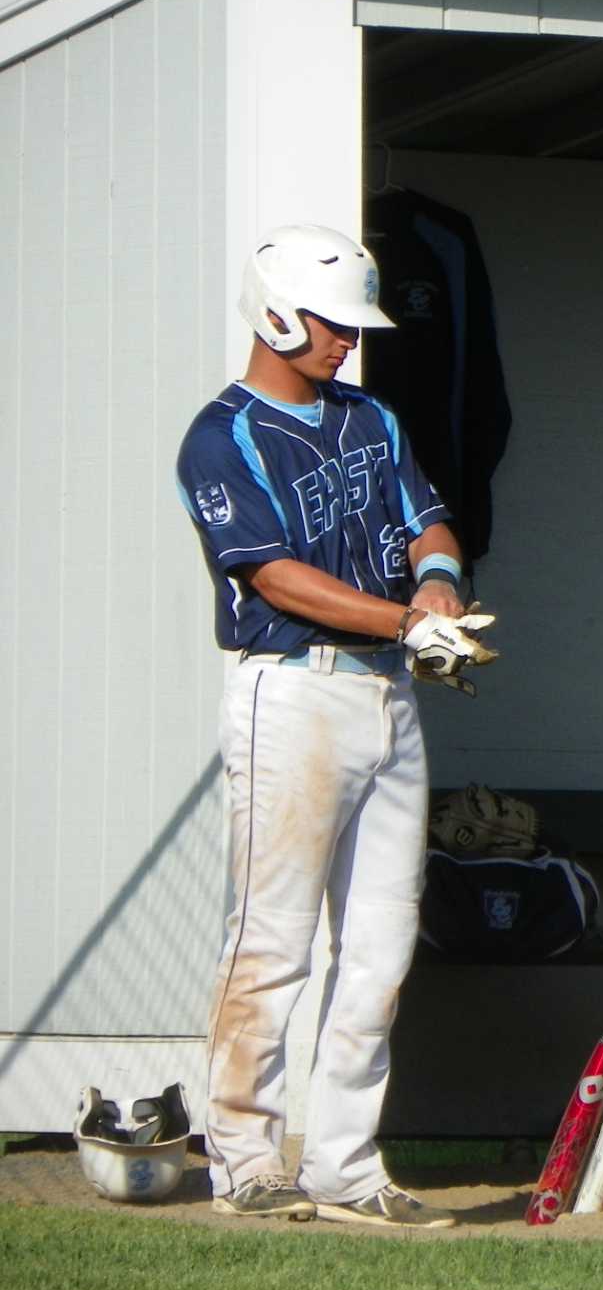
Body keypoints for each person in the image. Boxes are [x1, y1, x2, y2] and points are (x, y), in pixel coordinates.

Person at [175, 225, 494, 1229]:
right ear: (274, 312)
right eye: (327, 323)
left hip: (387, 689)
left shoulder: (369, 417)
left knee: (381, 942)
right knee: (271, 937)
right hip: (292, 687)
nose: (345, 341)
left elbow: (425, 521)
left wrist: (436, 582)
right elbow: (273, 576)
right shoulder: (221, 433)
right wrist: (406, 616)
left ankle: (347, 1166)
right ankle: (243, 1154)